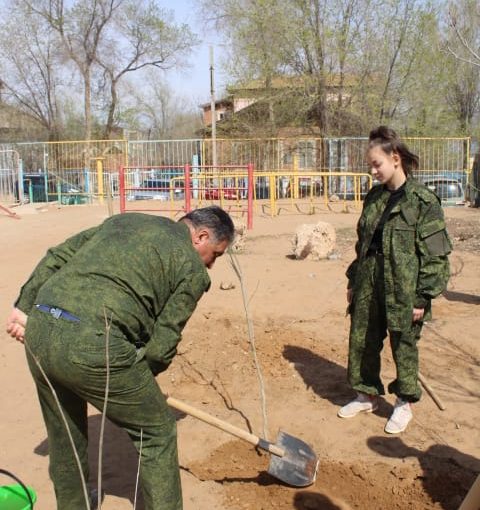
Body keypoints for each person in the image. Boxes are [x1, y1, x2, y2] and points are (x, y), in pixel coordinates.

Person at [5, 206, 235, 510]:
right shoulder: (192, 269)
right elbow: (160, 348)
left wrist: (23, 307)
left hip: (40, 327)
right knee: (157, 430)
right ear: (201, 236)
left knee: (65, 432)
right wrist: (138, 380)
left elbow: (57, 256)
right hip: (93, 344)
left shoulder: (126, 220)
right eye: (215, 254)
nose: (211, 265)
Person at [337, 126, 451, 434]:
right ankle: (366, 394)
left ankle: (403, 403)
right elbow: (364, 244)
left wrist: (422, 297)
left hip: (404, 286)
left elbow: (436, 256)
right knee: (362, 338)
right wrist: (353, 279)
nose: (372, 171)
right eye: (370, 165)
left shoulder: (422, 202)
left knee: (404, 344)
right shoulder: (374, 197)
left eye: (377, 164)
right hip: (368, 280)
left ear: (395, 158)